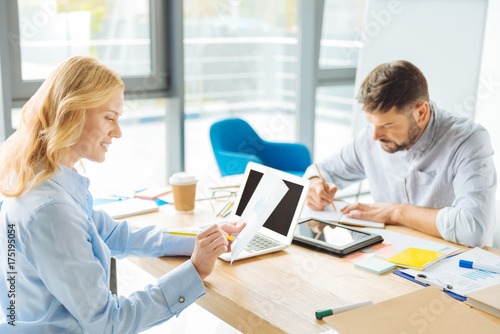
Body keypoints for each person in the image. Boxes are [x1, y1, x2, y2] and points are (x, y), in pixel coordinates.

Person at [0, 55, 243, 333]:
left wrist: (198, 240)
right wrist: (195, 272)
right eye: (109, 118)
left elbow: (113, 234)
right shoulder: (51, 211)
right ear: (72, 113)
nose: (117, 132)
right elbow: (109, 323)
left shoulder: (41, 178)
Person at [304, 60, 496, 247]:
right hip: (387, 255)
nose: (374, 136)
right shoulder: (371, 137)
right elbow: (321, 170)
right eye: (371, 123)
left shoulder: (467, 141)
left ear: (421, 113)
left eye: (387, 125)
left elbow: (473, 229)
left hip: (448, 264)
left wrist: (395, 213)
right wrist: (315, 185)